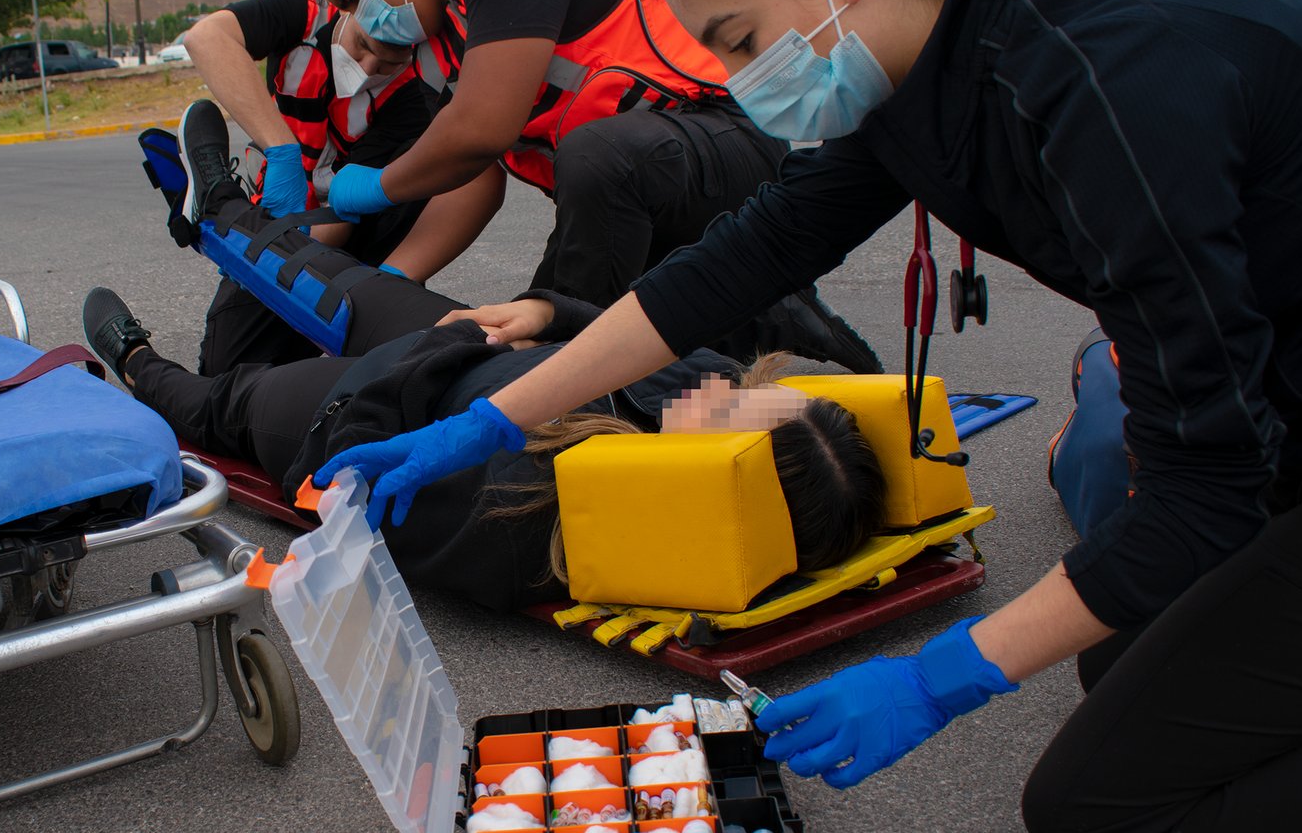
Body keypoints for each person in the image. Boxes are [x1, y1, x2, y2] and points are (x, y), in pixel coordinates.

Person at [311, 0, 1302, 833]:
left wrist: (939, 677)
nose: (738, 81)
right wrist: (493, 417)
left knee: (1098, 814)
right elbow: (735, 263)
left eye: (739, 38)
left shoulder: (1105, 76)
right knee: (1115, 651)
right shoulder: (931, 61)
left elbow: (1205, 488)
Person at [87, 107, 888, 611]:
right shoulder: (701, 395)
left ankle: (138, 365)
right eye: (746, 390)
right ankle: (221, 210)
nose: (722, 387)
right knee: (334, 282)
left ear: (708, 478)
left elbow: (360, 483)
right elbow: (622, 328)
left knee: (229, 397)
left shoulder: (530, 518)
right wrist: (547, 311)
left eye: (728, 408)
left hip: (372, 409)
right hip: (466, 349)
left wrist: (445, 350)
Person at [292, 0, 880, 373]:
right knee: (652, 338)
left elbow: (479, 132)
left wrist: (375, 185)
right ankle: (771, 321)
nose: (359, 20)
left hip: (730, 143)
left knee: (555, 314)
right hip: (641, 191)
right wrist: (394, 277)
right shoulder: (439, 43)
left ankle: (555, 368)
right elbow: (471, 177)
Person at [182, 0, 504, 374]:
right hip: (278, 207)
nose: (367, 68)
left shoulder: (415, 91)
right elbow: (206, 38)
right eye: (363, 46)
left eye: (387, 62)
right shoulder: (300, 12)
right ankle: (240, 234)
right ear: (348, 7)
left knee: (465, 166)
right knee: (224, 371)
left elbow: (337, 224)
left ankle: (382, 301)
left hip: (342, 226)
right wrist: (281, 149)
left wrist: (280, 252)